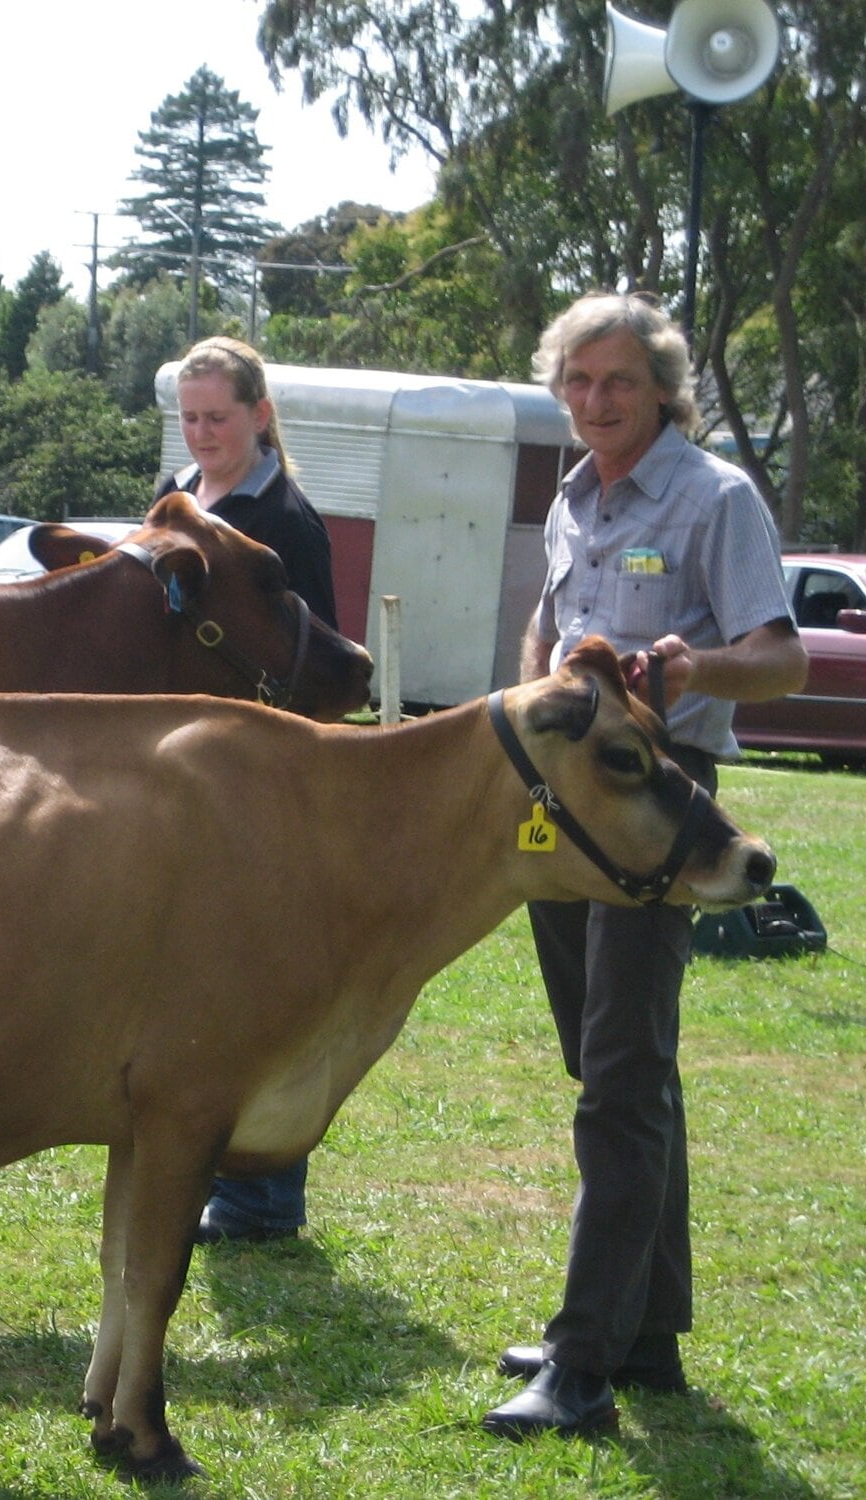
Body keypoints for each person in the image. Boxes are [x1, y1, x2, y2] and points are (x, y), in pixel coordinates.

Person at [484, 292, 807, 1441]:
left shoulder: (713, 495)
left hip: (659, 815)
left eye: (613, 382)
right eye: (574, 383)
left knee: (621, 1076)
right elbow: (549, 627)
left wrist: (693, 664)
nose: (591, 403)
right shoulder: (571, 497)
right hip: (563, 819)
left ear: (660, 389)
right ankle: (649, 1331)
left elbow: (781, 660)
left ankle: (580, 1366)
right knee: (606, 1061)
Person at [155, 334, 340, 1245]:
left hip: (260, 778)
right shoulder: (190, 501)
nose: (201, 432)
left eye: (217, 417)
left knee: (255, 988)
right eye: (189, 418)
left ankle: (264, 1198)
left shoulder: (286, 522)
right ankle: (216, 1179)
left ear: (260, 416)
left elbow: (314, 659)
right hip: (195, 776)